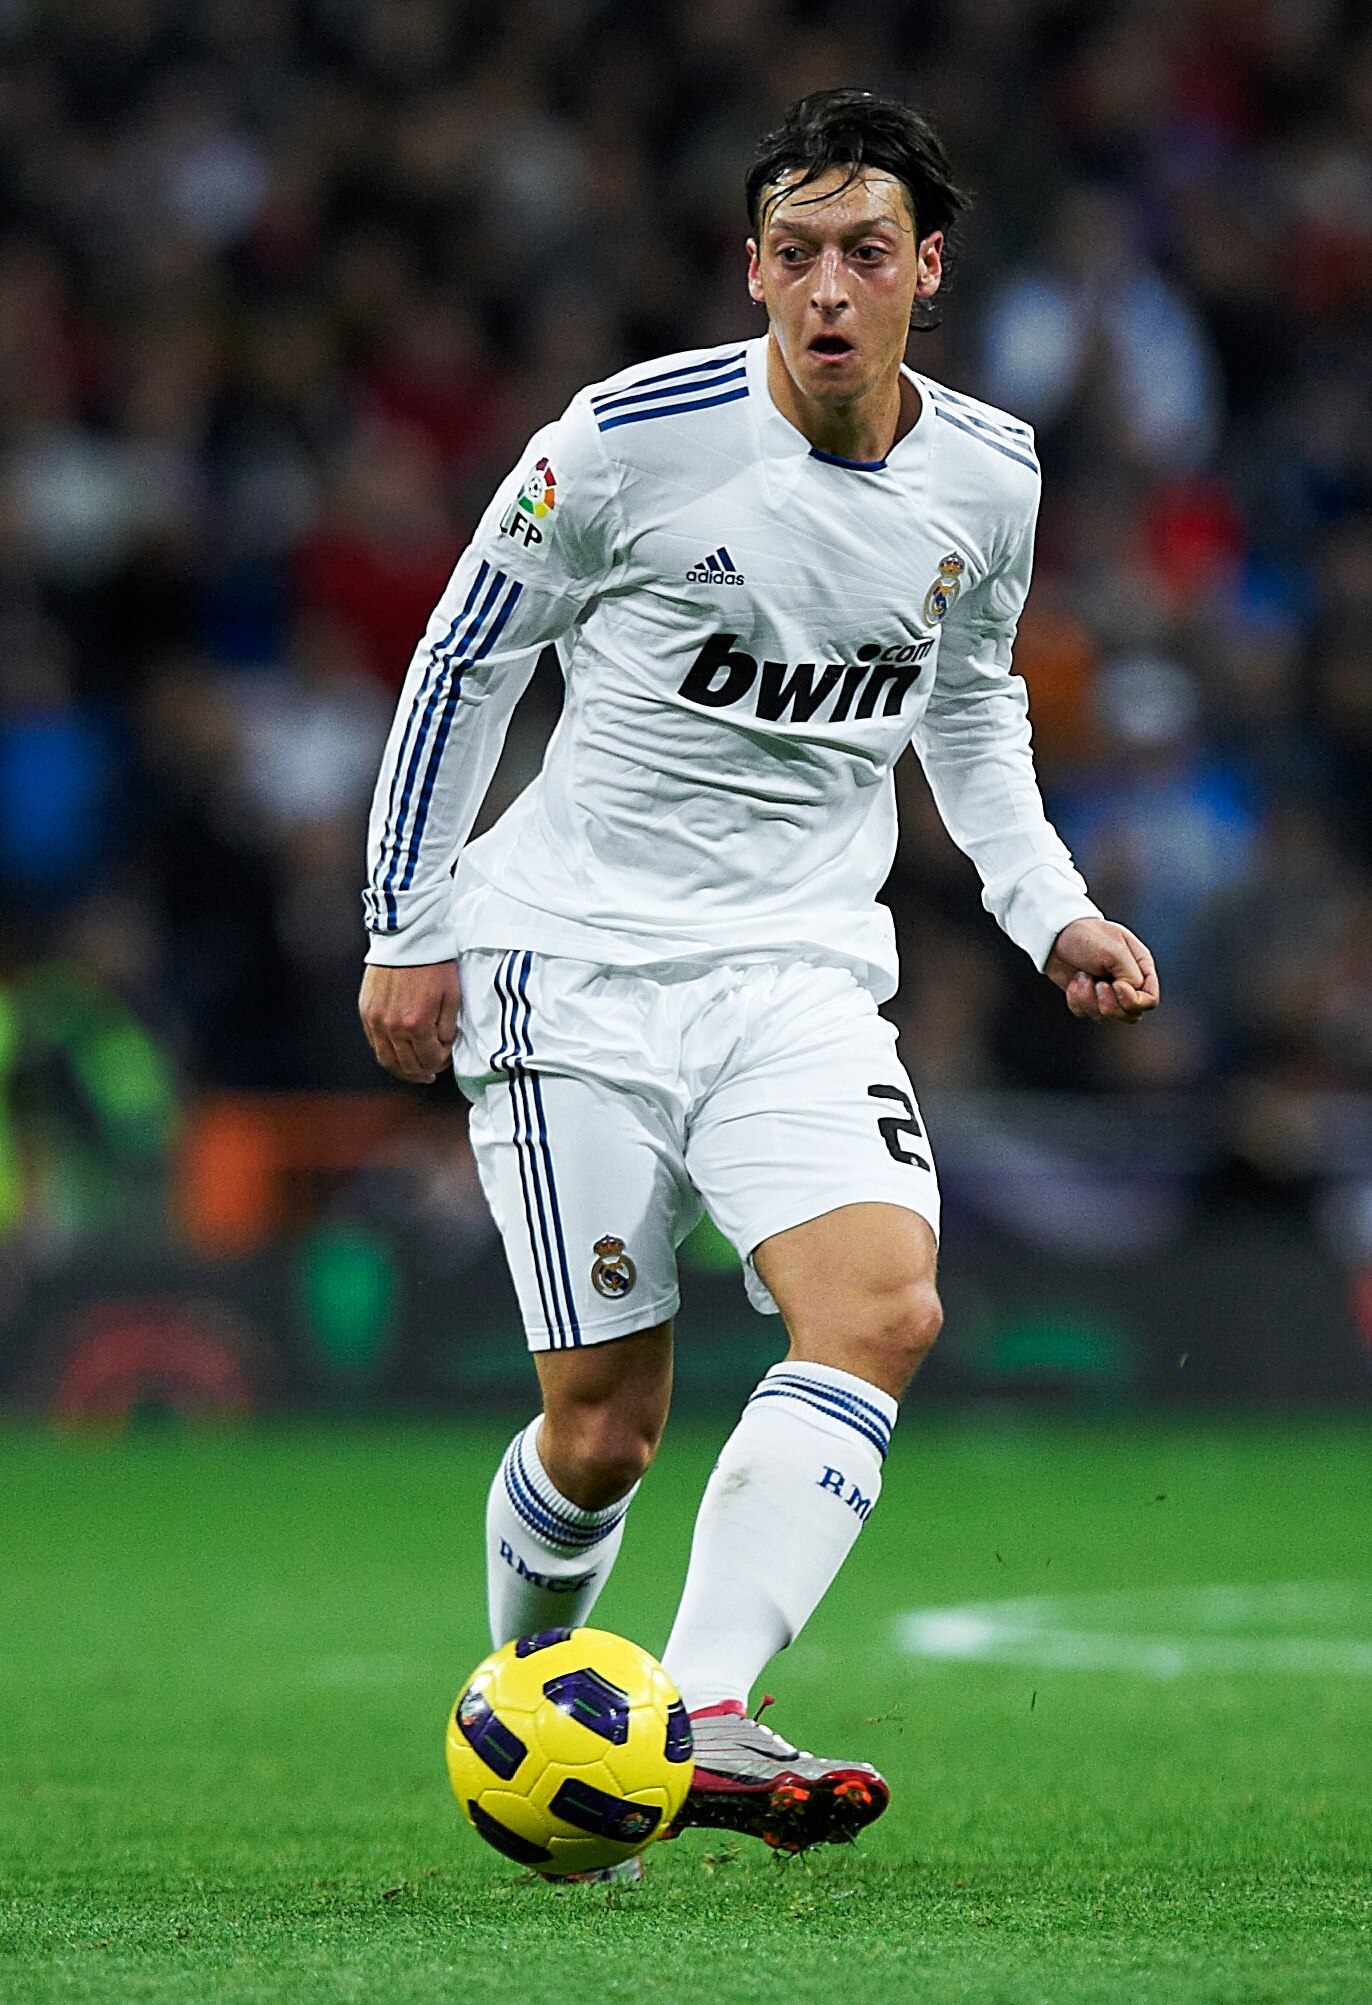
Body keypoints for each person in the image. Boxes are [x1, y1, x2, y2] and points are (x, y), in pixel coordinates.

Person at [358, 88, 1159, 1867]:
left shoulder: (992, 474)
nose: (826, 286)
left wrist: (1052, 911)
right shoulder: (628, 441)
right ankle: (545, 1708)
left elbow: (971, 705)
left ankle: (701, 1710)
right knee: (602, 1429)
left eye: (865, 251)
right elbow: (461, 661)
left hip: (798, 974)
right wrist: (404, 921)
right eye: (793, 253)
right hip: (572, 972)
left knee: (883, 1308)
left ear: (926, 270)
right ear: (752, 270)